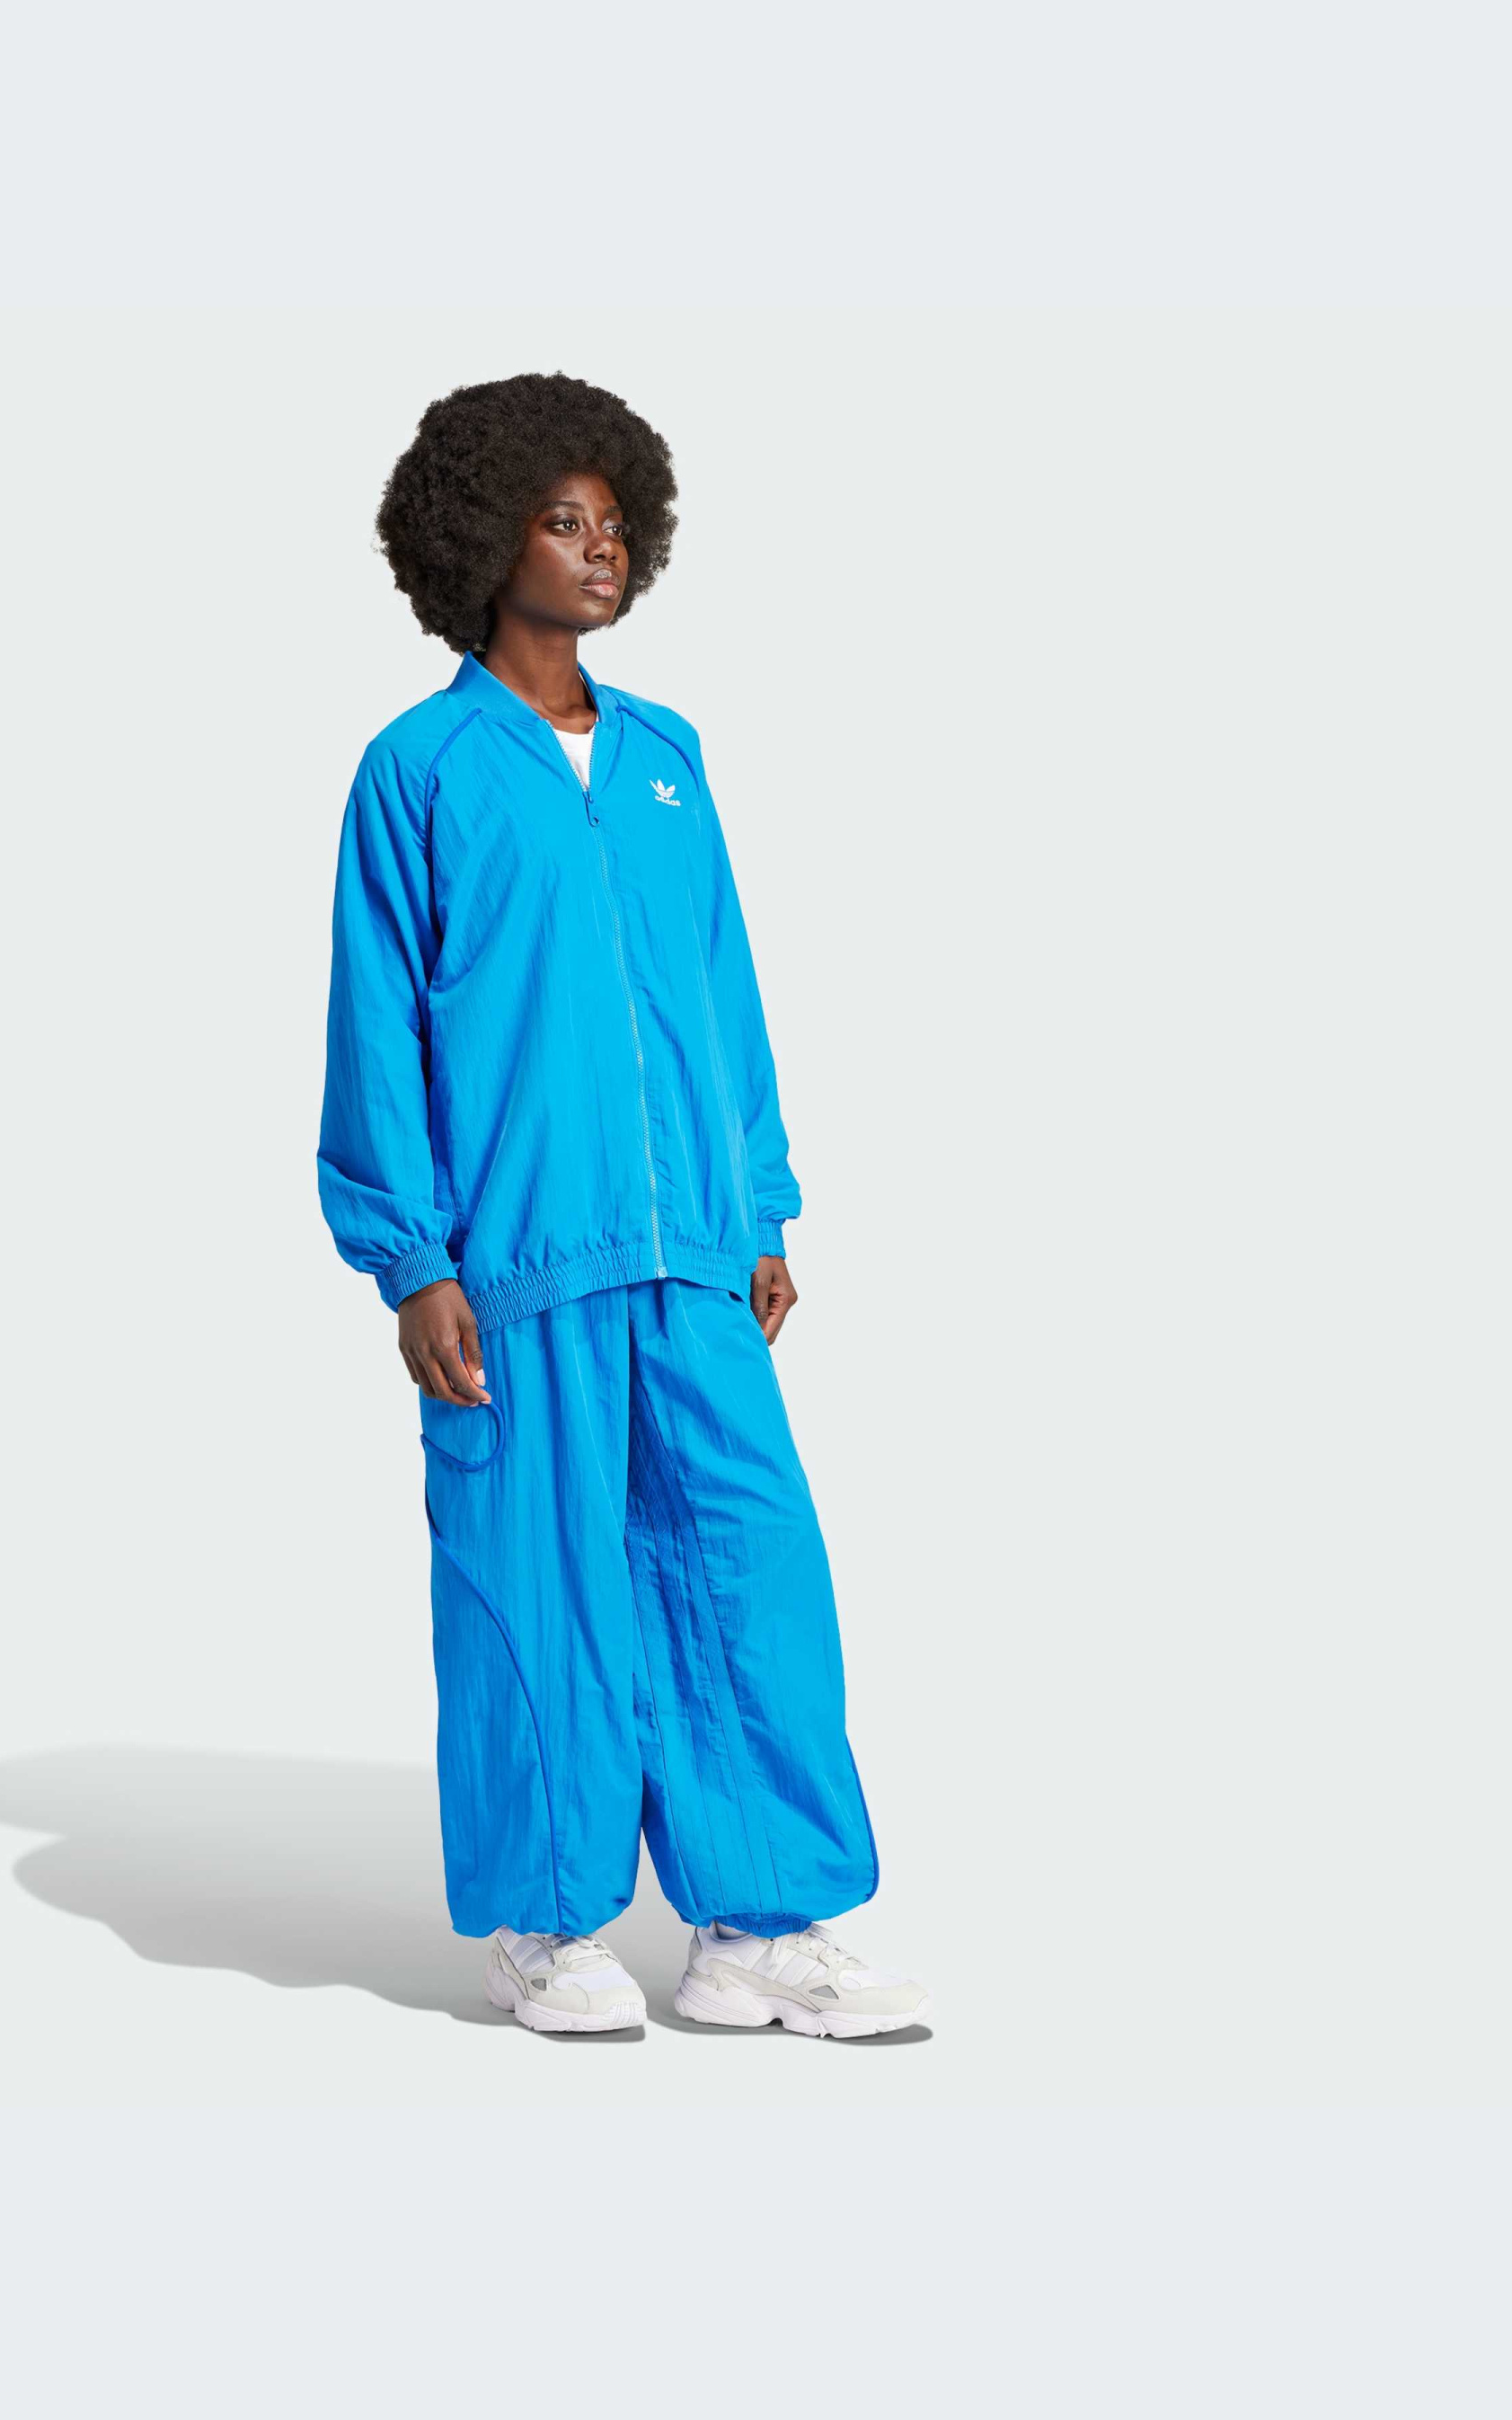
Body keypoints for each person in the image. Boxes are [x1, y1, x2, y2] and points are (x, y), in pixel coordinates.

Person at [318, 371, 931, 2039]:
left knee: (746, 1569)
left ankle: (758, 1927)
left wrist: (760, 1208)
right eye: (560, 520)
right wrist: (411, 1260)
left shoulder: (667, 757)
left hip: (692, 1257)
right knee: (539, 1586)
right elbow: (379, 1027)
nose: (599, 551)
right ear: (480, 538)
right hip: (515, 1261)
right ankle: (547, 1920)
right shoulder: (419, 770)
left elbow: (721, 991)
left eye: (613, 525)